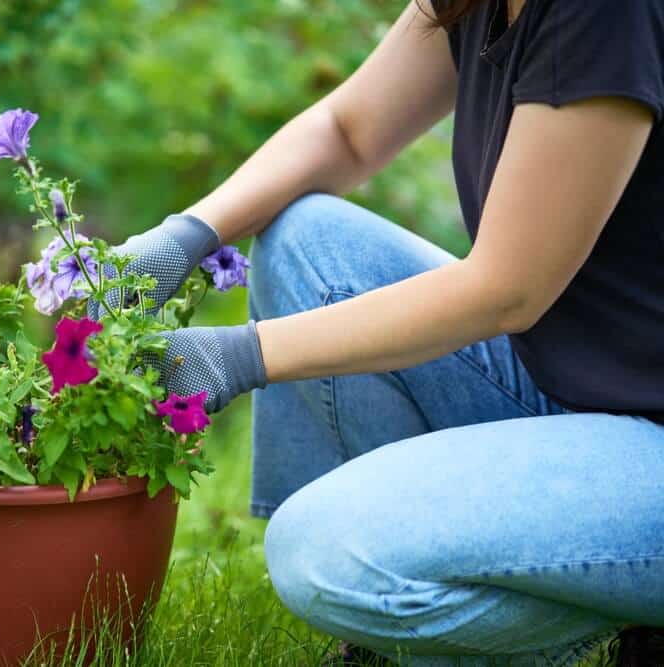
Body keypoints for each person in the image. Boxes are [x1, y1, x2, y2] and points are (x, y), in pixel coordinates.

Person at [95, 0, 664, 664]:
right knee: (303, 240)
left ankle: (540, 620)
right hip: (579, 393)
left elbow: (507, 290)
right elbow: (346, 130)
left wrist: (240, 356)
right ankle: (459, 589)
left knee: (324, 547)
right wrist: (181, 237)